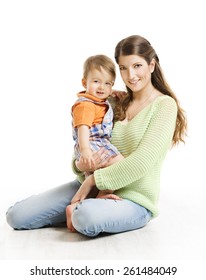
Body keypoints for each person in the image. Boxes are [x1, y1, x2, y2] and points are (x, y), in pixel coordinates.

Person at [6, 35, 187, 237]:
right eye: (123, 68)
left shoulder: (164, 106)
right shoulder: (114, 101)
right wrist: (80, 165)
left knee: (84, 217)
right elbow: (89, 139)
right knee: (17, 216)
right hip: (90, 185)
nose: (131, 75)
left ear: (151, 65)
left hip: (133, 198)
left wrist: (93, 181)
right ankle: (86, 205)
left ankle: (84, 209)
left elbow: (142, 163)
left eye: (137, 66)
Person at [67, 55, 124, 230]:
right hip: (92, 144)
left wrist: (116, 94)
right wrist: (85, 151)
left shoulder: (98, 102)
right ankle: (102, 198)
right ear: (85, 83)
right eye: (97, 81)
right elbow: (82, 128)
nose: (102, 87)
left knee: (93, 181)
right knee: (120, 166)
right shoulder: (85, 105)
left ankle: (75, 206)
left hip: (93, 145)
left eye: (108, 83)